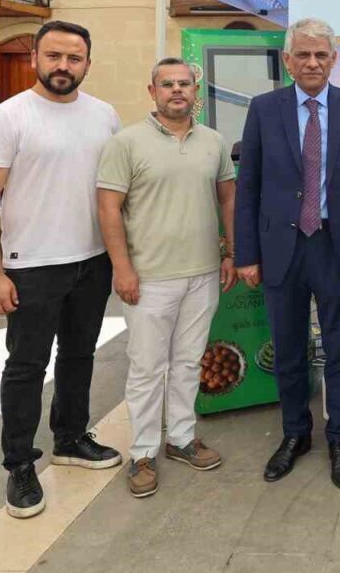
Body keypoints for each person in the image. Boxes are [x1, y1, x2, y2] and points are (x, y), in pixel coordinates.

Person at [0, 21, 123, 519]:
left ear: (87, 63)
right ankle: (19, 464)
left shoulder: (104, 116)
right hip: (31, 266)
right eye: (54, 55)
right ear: (35, 56)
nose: (63, 66)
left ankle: (71, 437)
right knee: (26, 367)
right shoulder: (8, 118)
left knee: (80, 356)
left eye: (74, 58)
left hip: (92, 261)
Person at [235, 17, 340, 489]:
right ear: (288, 60)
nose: (312, 62)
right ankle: (295, 434)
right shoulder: (263, 109)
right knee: (290, 350)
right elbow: (249, 185)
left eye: (321, 54)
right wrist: (246, 255)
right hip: (282, 248)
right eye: (304, 55)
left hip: (338, 247)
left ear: (334, 60)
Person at [96, 58, 238, 498]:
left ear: (196, 91)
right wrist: (122, 267)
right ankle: (142, 452)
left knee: (188, 362)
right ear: (152, 91)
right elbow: (108, 208)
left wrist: (230, 251)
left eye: (185, 84)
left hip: (202, 273)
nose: (177, 90)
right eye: (168, 84)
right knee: (146, 368)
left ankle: (180, 439)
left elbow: (227, 200)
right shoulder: (126, 143)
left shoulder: (213, 141)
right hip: (149, 277)